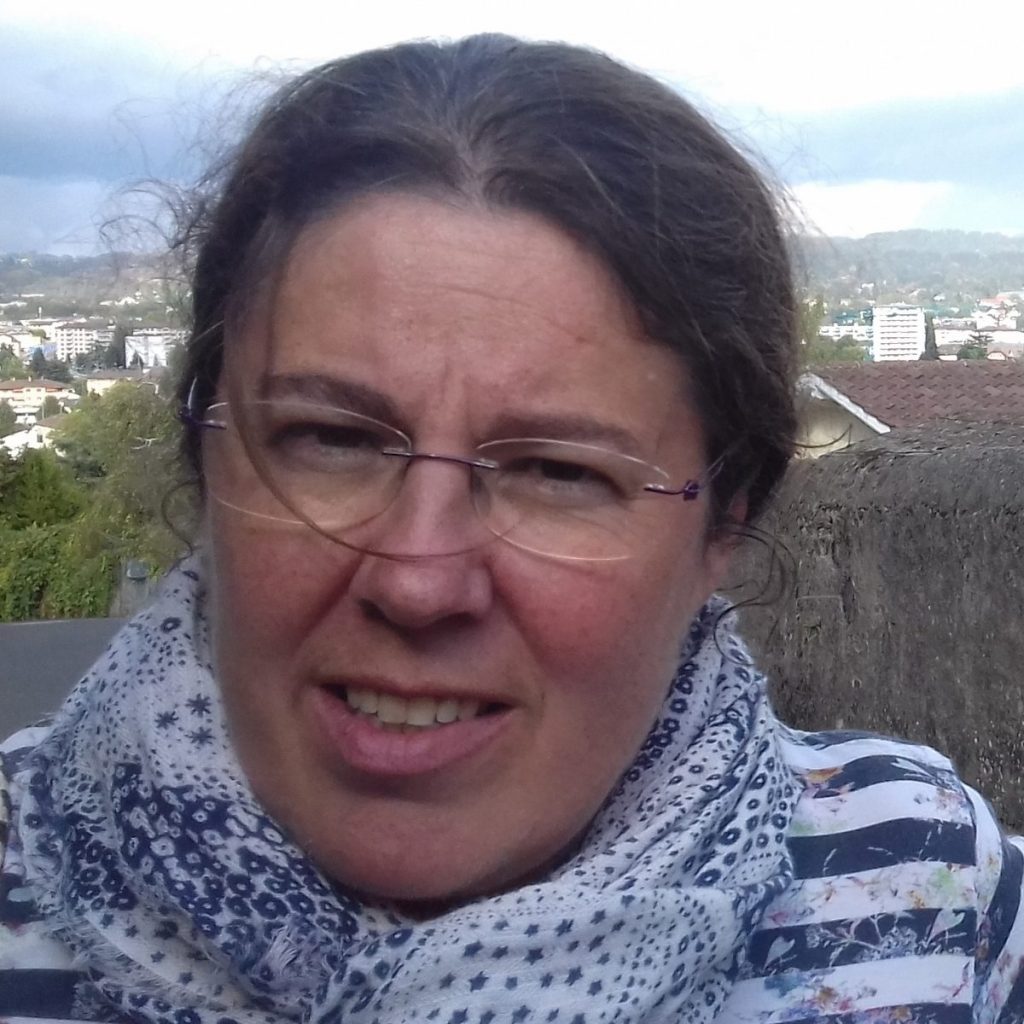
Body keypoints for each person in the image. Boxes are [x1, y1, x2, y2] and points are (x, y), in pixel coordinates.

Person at [1, 34, 1022, 1024]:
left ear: (725, 523)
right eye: (332, 440)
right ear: (203, 459)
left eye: (557, 471)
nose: (418, 578)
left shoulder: (927, 895)